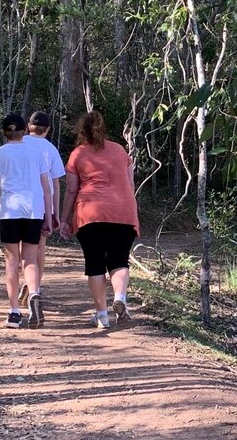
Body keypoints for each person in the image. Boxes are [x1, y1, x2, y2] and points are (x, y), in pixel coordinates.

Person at [59, 110, 139, 328]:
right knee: (119, 260)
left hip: (90, 213)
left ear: (82, 131)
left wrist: (64, 219)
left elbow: (71, 190)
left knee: (95, 264)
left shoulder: (78, 154)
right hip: (123, 212)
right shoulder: (120, 151)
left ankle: (102, 315)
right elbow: (130, 185)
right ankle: (120, 298)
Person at [0, 113, 53, 329]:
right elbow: (46, 188)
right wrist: (49, 216)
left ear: (4, 132)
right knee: (30, 259)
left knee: (12, 261)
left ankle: (14, 312)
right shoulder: (37, 152)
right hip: (34, 210)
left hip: (9, 211)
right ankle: (33, 293)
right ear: (24, 131)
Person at [17, 111, 65, 307]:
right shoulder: (50, 149)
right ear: (48, 130)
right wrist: (55, 212)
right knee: (39, 246)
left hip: (18, 202)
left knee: (22, 246)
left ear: (29, 127)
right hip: (41, 203)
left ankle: (27, 281)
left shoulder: (18, 143)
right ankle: (35, 286)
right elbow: (56, 183)